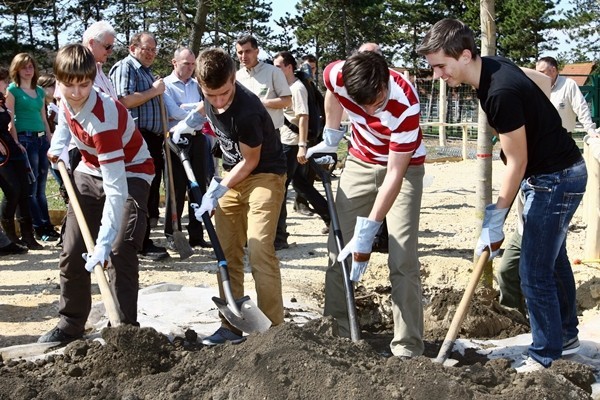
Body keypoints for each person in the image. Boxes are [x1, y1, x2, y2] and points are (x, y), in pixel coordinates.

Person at [417, 18, 587, 371]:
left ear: (464, 56)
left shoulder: (499, 92)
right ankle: (566, 335)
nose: (437, 76)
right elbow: (542, 81)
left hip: (554, 180)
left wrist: (494, 219)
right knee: (553, 260)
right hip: (559, 171)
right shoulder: (494, 64)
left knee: (533, 270)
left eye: (440, 66)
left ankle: (545, 356)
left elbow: (518, 162)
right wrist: (530, 124)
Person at [308, 50, 426, 358]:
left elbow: (395, 176)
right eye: (363, 106)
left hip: (404, 168)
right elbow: (332, 92)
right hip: (360, 162)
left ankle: (407, 347)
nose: (370, 111)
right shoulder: (337, 74)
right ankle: (339, 335)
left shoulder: (404, 104)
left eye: (376, 103)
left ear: (385, 83)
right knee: (339, 252)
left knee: (402, 259)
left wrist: (369, 230)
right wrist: (332, 135)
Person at [39, 44, 154, 343]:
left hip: (131, 172)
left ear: (93, 80)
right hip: (89, 170)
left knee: (119, 248)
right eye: (69, 85)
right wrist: (58, 147)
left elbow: (116, 190)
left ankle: (125, 330)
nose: (77, 93)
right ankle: (71, 323)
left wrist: (102, 244)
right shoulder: (63, 98)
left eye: (84, 85)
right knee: (72, 246)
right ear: (58, 80)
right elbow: (66, 122)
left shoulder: (103, 119)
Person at [184, 47, 286, 345]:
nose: (218, 100)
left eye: (224, 94)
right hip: (233, 174)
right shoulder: (210, 92)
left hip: (264, 175)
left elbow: (251, 161)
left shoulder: (247, 109)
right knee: (225, 252)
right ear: (201, 85)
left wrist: (218, 188)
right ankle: (231, 325)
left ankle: (273, 331)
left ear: (234, 79)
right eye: (210, 94)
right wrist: (189, 122)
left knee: (258, 249)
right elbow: (206, 106)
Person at [110, 31, 168, 260]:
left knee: (150, 189)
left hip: (151, 138)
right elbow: (123, 100)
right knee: (138, 189)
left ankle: (143, 239)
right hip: (135, 137)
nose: (151, 53)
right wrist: (154, 91)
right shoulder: (126, 68)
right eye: (147, 49)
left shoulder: (145, 71)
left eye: (154, 49)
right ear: (132, 48)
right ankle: (137, 243)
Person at [234, 35, 291, 249]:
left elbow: (286, 100)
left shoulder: (273, 73)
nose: (243, 56)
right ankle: (253, 235)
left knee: (274, 184)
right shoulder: (237, 76)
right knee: (248, 186)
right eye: (239, 52)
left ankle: (279, 236)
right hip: (246, 138)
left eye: (247, 51)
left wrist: (262, 103)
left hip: (270, 138)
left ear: (257, 51)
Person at [273, 51, 330, 247]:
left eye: (279, 66)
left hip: (292, 144)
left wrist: (302, 146)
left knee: (280, 187)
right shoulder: (286, 86)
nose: (276, 69)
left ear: (289, 67)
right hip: (288, 142)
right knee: (301, 185)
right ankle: (331, 218)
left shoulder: (296, 88)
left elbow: (303, 117)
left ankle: (279, 237)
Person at [162, 47, 210, 249]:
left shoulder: (198, 84)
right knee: (176, 187)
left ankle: (197, 235)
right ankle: (173, 234)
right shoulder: (165, 85)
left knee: (199, 186)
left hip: (197, 139)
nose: (190, 68)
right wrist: (194, 109)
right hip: (174, 140)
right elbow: (173, 112)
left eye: (193, 64)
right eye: (186, 64)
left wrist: (186, 108)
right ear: (174, 63)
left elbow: (207, 108)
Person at [6, 53, 54, 249]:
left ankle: (46, 226)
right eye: (24, 67)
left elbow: (44, 118)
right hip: (25, 139)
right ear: (16, 69)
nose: (28, 70)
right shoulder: (12, 90)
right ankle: (38, 228)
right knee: (31, 188)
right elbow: (10, 119)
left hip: (41, 139)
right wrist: (16, 142)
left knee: (41, 187)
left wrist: (50, 139)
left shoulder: (40, 91)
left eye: (31, 66)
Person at [0, 67, 29, 255]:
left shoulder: (2, 101)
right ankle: (8, 238)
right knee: (12, 190)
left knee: (22, 190)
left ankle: (12, 238)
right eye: (3, 81)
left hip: (11, 148)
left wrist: (17, 142)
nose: (6, 84)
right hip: (1, 153)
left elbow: (10, 124)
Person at [536, 56, 598, 137]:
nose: (537, 75)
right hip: (541, 138)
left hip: (563, 138)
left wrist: (590, 130)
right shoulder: (536, 86)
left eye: (541, 72)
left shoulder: (569, 85)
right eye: (536, 72)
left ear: (553, 70)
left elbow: (581, 107)